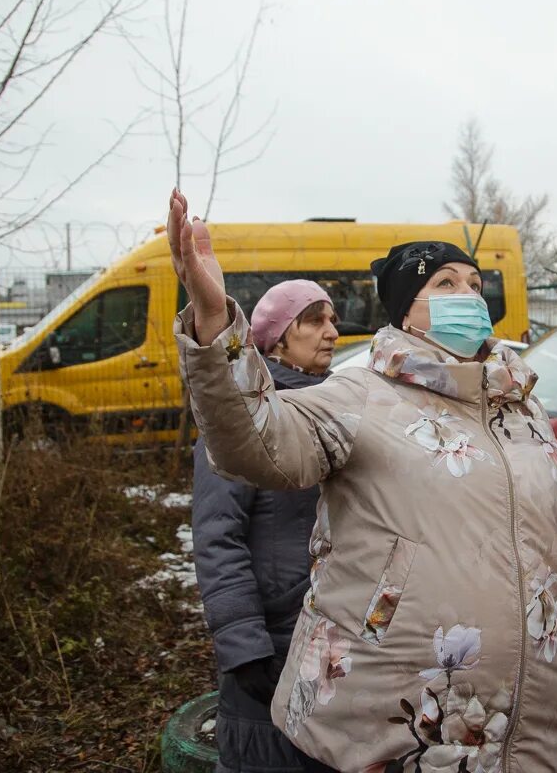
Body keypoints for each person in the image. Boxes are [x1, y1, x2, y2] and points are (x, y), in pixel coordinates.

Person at [167, 188, 557, 773]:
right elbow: (253, 441)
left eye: (473, 283)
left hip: (523, 727)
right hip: (388, 729)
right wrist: (216, 322)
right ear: (403, 309)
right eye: (443, 284)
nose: (467, 295)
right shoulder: (358, 395)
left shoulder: (522, 411)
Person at [192, 279, 341, 773]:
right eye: (315, 320)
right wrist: (242, 643)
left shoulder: (340, 410)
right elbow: (218, 534)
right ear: (277, 337)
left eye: (333, 320)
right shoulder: (244, 417)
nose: (332, 332)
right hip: (275, 638)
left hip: (341, 633)